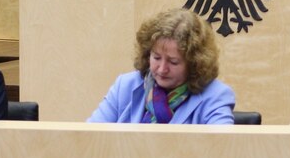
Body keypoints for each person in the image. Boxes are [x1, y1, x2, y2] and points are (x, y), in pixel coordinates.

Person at [88, 7, 234, 124]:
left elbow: (221, 150)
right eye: (156, 58)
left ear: (194, 63)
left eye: (173, 62)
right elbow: (90, 140)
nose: (162, 69)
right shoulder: (124, 86)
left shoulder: (216, 95)